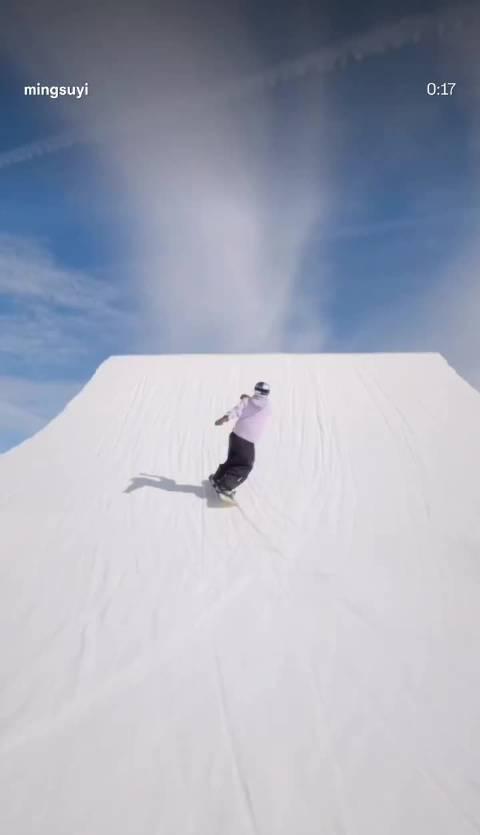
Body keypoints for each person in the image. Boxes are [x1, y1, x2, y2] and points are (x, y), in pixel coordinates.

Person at [210, 381, 272, 496]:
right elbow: (259, 404)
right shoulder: (267, 405)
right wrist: (247, 398)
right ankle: (225, 486)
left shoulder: (247, 401)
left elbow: (236, 410)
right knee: (245, 465)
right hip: (247, 440)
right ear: (267, 393)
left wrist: (225, 418)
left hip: (235, 436)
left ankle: (217, 478)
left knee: (233, 460)